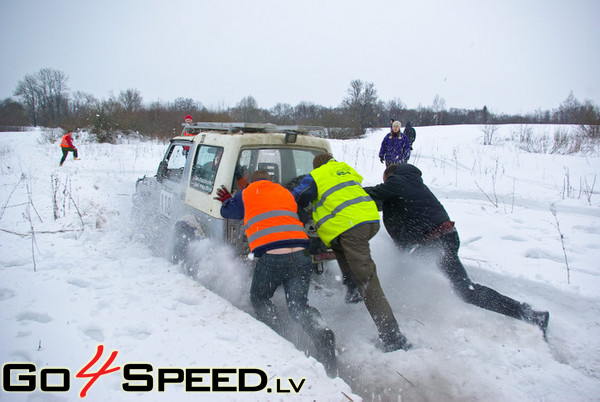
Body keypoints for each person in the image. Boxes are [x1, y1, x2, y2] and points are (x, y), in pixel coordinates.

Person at [363, 164, 550, 338]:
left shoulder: (398, 181)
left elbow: (371, 194)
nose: (385, 184)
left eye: (385, 180)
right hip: (442, 238)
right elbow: (383, 203)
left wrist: (341, 192)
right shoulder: (411, 186)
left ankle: (530, 315)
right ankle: (409, 306)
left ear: (390, 176)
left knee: (466, 291)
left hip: (437, 242)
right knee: (406, 270)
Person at [217, 170, 337, 376]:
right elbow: (300, 214)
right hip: (301, 254)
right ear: (270, 181)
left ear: (252, 182)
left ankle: (278, 337)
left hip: (272, 255)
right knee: (298, 305)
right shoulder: (285, 192)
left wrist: (229, 199)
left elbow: (227, 212)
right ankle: (320, 331)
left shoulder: (246, 193)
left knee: (259, 297)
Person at [293, 153, 412, 352]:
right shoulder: (346, 170)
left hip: (351, 227)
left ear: (317, 166)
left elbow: (299, 195)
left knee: (367, 278)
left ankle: (392, 335)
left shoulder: (316, 175)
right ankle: (352, 288)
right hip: (369, 221)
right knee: (340, 246)